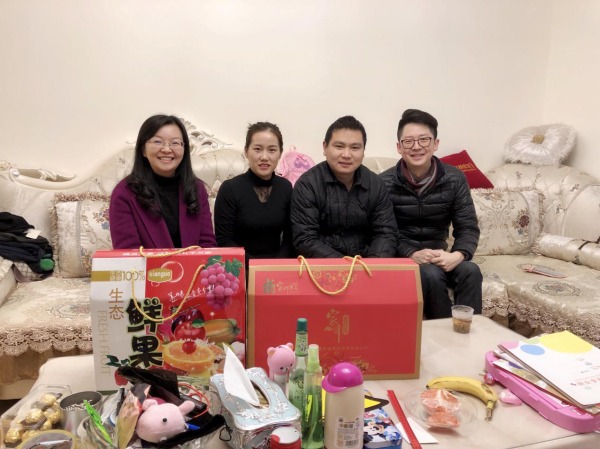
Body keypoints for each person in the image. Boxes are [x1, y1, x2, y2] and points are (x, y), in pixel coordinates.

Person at [380, 109, 482, 319]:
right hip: (404, 258)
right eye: (409, 141)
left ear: (435, 144)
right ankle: (444, 334)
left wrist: (457, 255)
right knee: (430, 273)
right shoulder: (383, 183)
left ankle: (470, 330)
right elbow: (382, 232)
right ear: (399, 147)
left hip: (439, 255)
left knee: (471, 271)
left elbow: (468, 226)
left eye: (424, 139)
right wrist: (411, 253)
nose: (416, 147)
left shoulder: (455, 178)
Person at [291, 115, 398, 258]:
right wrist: (345, 266)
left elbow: (386, 233)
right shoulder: (308, 185)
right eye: (339, 146)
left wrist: (372, 265)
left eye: (355, 147)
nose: (346, 154)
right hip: (323, 267)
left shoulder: (375, 184)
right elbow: (305, 240)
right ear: (325, 147)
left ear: (363, 151)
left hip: (367, 264)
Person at [110, 114, 216, 249]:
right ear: (143, 150)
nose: (166, 149)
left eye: (175, 143)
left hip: (194, 264)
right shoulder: (124, 193)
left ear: (184, 149)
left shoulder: (196, 188)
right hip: (147, 264)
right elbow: (128, 252)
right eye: (157, 142)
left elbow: (207, 245)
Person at [214, 122, 294, 261]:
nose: (264, 157)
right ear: (246, 151)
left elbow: (290, 236)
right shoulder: (230, 189)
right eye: (257, 149)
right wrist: (256, 268)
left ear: (280, 153)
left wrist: (278, 265)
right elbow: (224, 241)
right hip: (239, 266)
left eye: (272, 150)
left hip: (278, 265)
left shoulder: (286, 187)